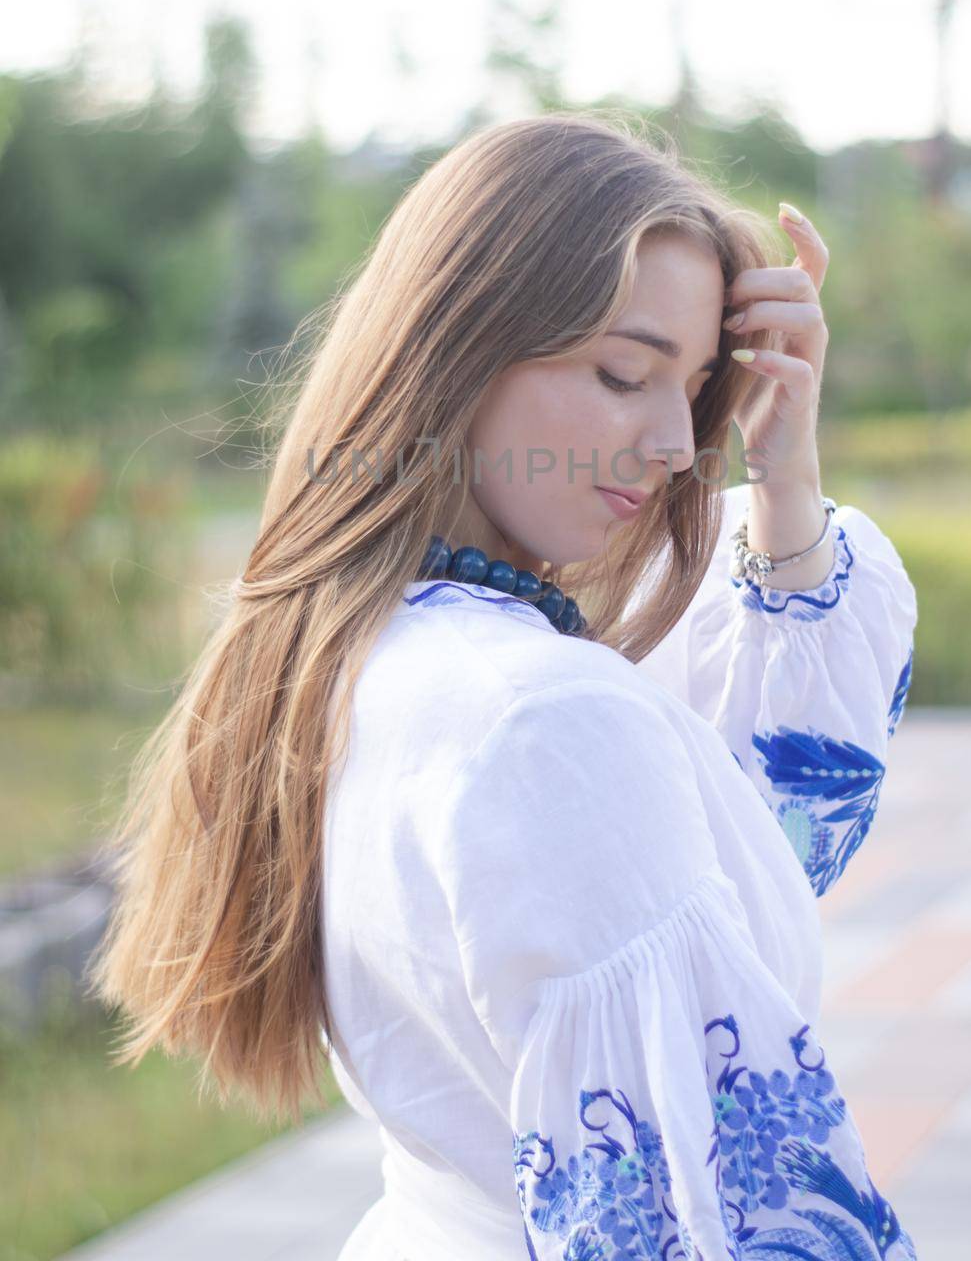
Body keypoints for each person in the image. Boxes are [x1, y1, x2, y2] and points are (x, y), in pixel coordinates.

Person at [88, 112, 919, 1261]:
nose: (679, 444)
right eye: (623, 372)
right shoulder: (541, 718)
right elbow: (722, 1214)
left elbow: (771, 838)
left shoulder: (354, 645)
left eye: (694, 388)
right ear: (458, 347)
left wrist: (785, 484)